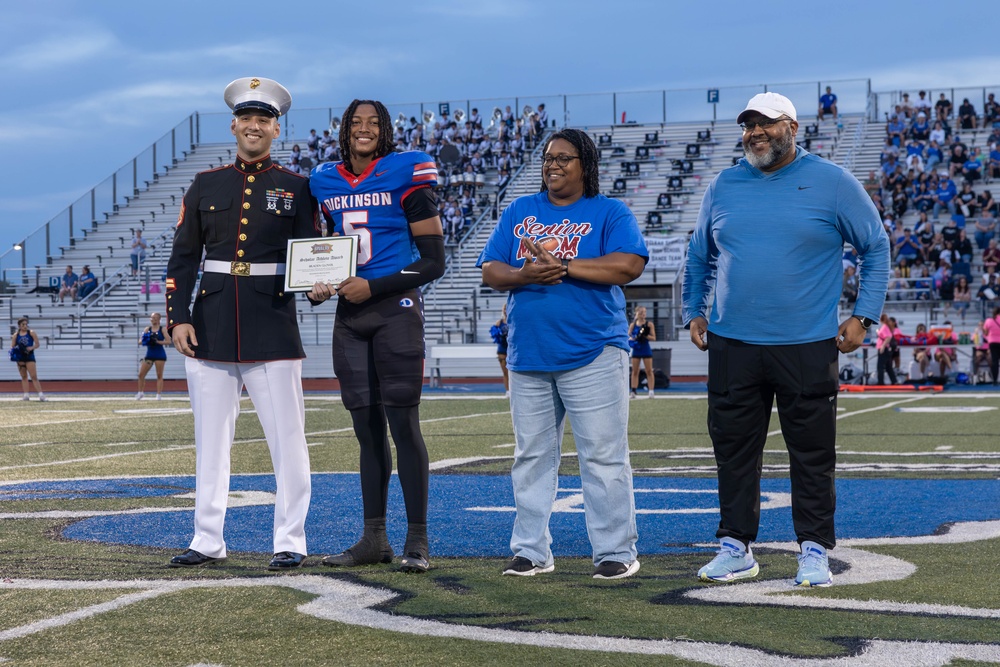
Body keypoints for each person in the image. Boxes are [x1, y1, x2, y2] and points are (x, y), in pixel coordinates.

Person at [683, 92, 890, 588]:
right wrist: (693, 310)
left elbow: (875, 245)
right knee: (733, 451)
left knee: (812, 454)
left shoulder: (833, 182)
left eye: (766, 123)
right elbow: (698, 255)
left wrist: (864, 316)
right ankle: (735, 547)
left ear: (792, 127)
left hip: (807, 343)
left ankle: (814, 549)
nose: (755, 132)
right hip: (732, 343)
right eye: (748, 124)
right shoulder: (723, 184)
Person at [478, 128, 647, 580]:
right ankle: (531, 550)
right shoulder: (520, 210)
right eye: (548, 158)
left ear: (585, 165)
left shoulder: (609, 211)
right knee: (531, 458)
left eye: (563, 158)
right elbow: (491, 270)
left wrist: (566, 266)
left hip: (593, 351)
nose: (552, 165)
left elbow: (629, 264)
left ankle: (615, 550)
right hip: (529, 354)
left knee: (603, 457)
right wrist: (525, 275)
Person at [165, 77, 317, 571]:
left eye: (263, 119)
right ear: (233, 126)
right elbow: (183, 258)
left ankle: (290, 540)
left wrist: (318, 286)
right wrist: (178, 318)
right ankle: (207, 538)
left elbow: (310, 255)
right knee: (210, 444)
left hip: (272, 323)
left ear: (276, 129)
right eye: (246, 118)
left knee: (288, 441)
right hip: (209, 327)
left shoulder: (297, 188)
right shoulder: (205, 184)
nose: (254, 126)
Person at [308, 99, 446, 575]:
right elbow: (321, 249)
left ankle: (417, 540)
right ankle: (374, 539)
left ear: (384, 130)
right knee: (366, 433)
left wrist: (375, 286)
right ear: (344, 130)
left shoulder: (406, 172)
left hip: (395, 309)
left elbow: (434, 261)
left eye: (373, 123)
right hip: (350, 315)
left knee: (403, 425)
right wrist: (316, 285)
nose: (363, 129)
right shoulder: (324, 180)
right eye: (356, 122)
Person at [9, 317, 45, 401]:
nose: (25, 326)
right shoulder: (16, 335)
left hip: (29, 356)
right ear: (19, 326)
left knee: (33, 376)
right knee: (24, 376)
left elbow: (37, 344)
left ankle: (41, 395)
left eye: (26, 324)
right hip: (20, 357)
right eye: (23, 324)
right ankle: (26, 395)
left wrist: (31, 348)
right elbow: (12, 347)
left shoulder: (31, 333)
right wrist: (17, 350)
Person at [136, 312, 170, 400]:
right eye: (152, 318)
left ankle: (158, 394)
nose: (153, 319)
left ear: (159, 319)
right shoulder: (148, 329)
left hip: (159, 354)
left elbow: (168, 341)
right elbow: (140, 341)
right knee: (141, 374)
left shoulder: (162, 329)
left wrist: (157, 341)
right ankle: (140, 392)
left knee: (159, 375)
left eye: (155, 318)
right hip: (149, 354)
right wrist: (147, 340)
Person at [628, 305, 656, 398]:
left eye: (644, 312)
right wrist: (634, 337)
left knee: (649, 370)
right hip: (637, 349)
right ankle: (633, 391)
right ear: (636, 313)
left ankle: (651, 391)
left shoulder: (649, 324)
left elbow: (654, 338)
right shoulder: (633, 325)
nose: (643, 314)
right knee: (635, 371)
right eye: (640, 312)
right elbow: (629, 336)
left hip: (645, 348)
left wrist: (645, 335)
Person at [490, 303, 510, 398]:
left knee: (514, 373)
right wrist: (499, 334)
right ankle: (508, 391)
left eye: (507, 308)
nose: (506, 310)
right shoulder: (499, 323)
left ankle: (514, 390)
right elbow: (494, 335)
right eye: (504, 309)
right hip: (502, 349)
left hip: (513, 350)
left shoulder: (514, 321)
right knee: (505, 372)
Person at [875, 313, 898, 385]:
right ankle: (894, 381)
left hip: (884, 349)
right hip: (886, 349)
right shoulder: (886, 327)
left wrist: (883, 346)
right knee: (888, 367)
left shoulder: (885, 327)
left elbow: (888, 337)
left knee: (880, 366)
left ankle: (880, 382)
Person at [984, 307, 1000, 385]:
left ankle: (995, 380)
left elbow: (985, 332)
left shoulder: (989, 321)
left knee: (995, 361)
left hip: (993, 342)